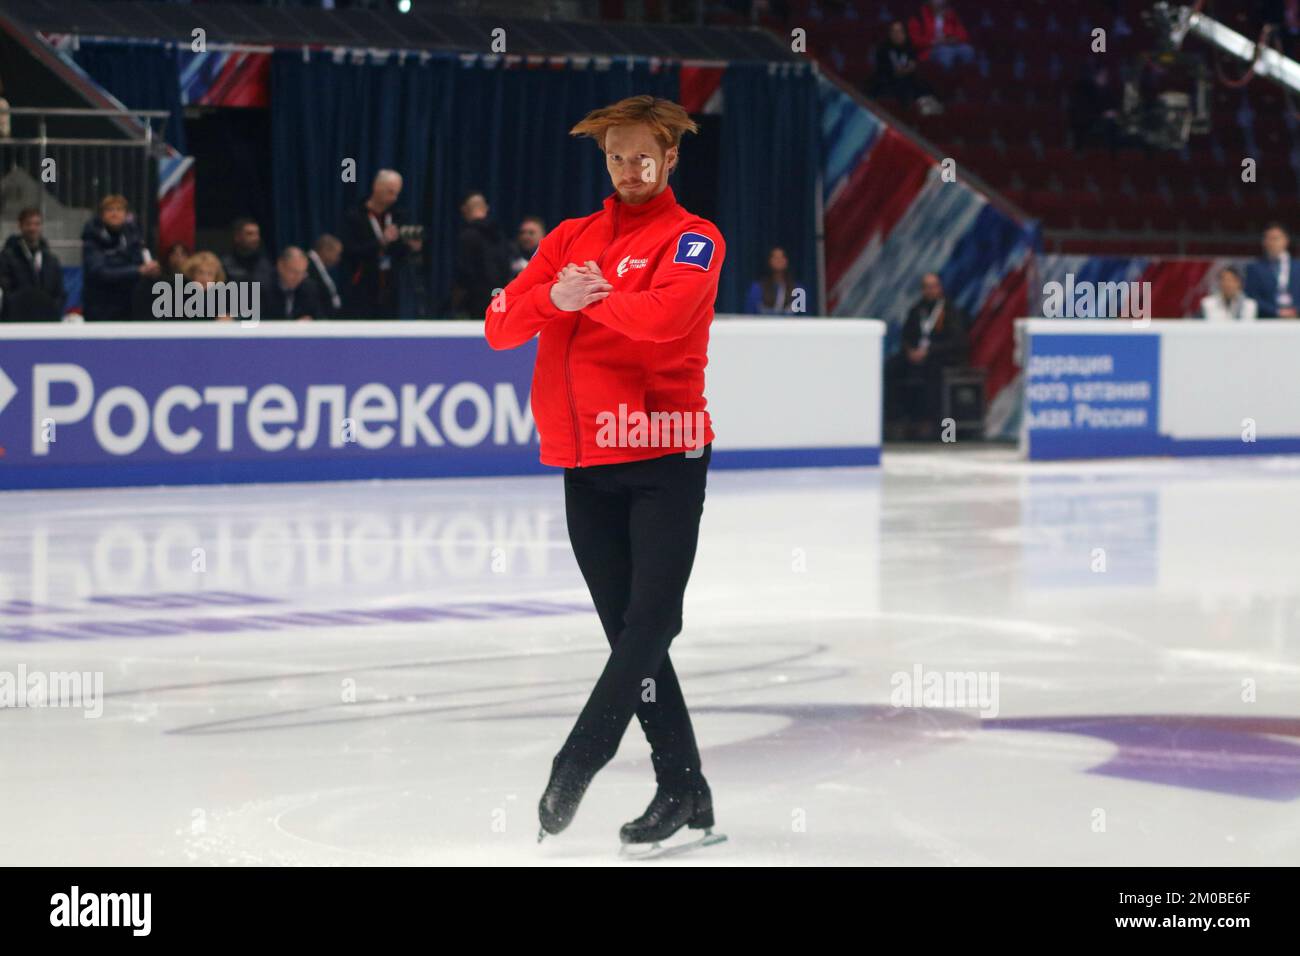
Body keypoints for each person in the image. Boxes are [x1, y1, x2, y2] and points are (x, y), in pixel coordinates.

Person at [484, 94, 725, 850]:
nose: (629, 168)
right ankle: (686, 789)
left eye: (643, 155)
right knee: (632, 634)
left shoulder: (695, 239)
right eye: (616, 155)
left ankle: (579, 757)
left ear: (672, 155)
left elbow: (663, 323)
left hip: (664, 452)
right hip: (585, 463)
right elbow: (499, 327)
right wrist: (554, 296)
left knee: (651, 624)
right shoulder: (568, 239)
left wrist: (592, 298)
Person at [885, 272, 971, 438]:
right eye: (926, 287)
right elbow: (906, 336)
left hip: (943, 357)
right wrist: (910, 351)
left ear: (939, 288)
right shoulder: (917, 310)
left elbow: (957, 341)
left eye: (933, 287)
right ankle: (896, 423)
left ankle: (944, 431)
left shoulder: (950, 310)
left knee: (934, 372)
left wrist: (929, 351)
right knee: (892, 367)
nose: (930, 291)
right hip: (918, 356)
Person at [341, 169, 422, 319]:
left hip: (391, 287)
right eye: (390, 192)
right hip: (362, 287)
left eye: (397, 193)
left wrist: (411, 246)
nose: (394, 198)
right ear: (377, 187)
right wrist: (381, 241)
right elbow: (350, 251)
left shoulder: (399, 215)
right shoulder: (355, 216)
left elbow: (400, 253)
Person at [81, 194, 158, 322]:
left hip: (129, 305)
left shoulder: (133, 236)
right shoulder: (92, 239)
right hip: (100, 307)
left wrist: (151, 269)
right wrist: (137, 271)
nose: (115, 214)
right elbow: (99, 272)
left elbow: (142, 262)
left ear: (126, 214)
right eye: (110, 210)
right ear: (102, 215)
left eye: (119, 210)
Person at [452, 190, 512, 317]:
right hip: (499, 296)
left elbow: (464, 273)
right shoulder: (500, 235)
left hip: (475, 302)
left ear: (464, 209)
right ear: (485, 208)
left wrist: (455, 303)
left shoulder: (467, 236)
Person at [0, 208, 65, 321]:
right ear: (20, 226)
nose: (32, 228)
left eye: (37, 224)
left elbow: (59, 292)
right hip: (17, 321)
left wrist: (52, 310)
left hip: (47, 320)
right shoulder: (7, 257)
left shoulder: (51, 260)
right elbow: (6, 291)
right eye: (28, 224)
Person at [869, 20, 941, 113]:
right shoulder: (882, 49)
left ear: (905, 33)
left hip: (907, 82)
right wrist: (901, 70)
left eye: (900, 31)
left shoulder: (910, 47)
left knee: (926, 89)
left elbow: (913, 66)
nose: (897, 34)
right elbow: (884, 69)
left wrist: (908, 69)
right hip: (887, 83)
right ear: (889, 33)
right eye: (894, 31)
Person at [1244, 222, 1300, 318]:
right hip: (1268, 320)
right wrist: (1277, 312)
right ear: (1264, 242)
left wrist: (1296, 310)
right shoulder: (1254, 268)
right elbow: (1252, 297)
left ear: (1286, 240)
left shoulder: (1297, 266)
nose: (1272, 243)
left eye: (1276, 238)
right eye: (1268, 239)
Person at [908, 0, 975, 70]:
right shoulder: (919, 15)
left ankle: (967, 77)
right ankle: (947, 79)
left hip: (951, 45)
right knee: (946, 53)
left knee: (968, 50)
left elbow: (963, 34)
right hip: (930, 50)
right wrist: (934, 41)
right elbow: (915, 41)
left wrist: (955, 39)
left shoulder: (950, 14)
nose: (940, 2)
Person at [744, 245, 807, 315]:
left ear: (787, 261)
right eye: (775, 257)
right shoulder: (757, 288)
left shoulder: (799, 290)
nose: (779, 260)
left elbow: (804, 317)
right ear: (769, 261)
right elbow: (750, 316)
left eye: (782, 257)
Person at [263, 247, 321, 321]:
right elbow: (251, 326)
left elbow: (320, 318)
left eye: (302, 273)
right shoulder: (258, 287)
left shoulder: (309, 288)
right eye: (294, 272)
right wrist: (292, 326)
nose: (298, 277)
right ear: (280, 266)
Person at [220, 218, 274, 290]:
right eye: (250, 234)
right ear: (237, 237)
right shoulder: (224, 264)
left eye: (257, 234)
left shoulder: (266, 264)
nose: (255, 238)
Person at [307, 234, 344, 318]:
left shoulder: (319, 266)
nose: (338, 259)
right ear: (325, 250)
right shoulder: (308, 265)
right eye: (337, 254)